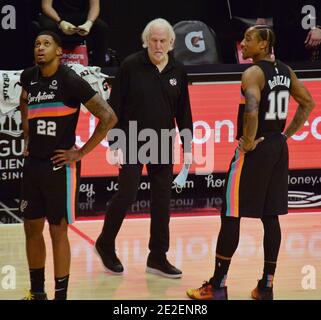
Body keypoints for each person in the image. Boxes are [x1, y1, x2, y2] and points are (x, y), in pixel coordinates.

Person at [187, 25, 315, 300]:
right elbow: (307, 102)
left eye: (248, 39)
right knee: (271, 217)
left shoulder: (252, 73)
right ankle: (266, 286)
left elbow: (253, 110)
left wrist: (246, 140)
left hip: (255, 150)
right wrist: (285, 135)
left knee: (231, 213)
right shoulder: (284, 70)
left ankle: (218, 285)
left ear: (263, 43)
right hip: (277, 147)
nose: (242, 43)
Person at [19, 30, 117, 300]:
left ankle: (60, 296)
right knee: (31, 228)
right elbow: (23, 101)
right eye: (37, 43)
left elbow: (109, 116)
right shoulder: (29, 77)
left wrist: (81, 152)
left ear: (59, 52)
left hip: (59, 167)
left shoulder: (70, 80)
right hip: (33, 165)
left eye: (46, 44)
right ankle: (37, 292)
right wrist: (28, 135)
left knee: (57, 230)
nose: (40, 48)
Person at [95, 18, 193, 278]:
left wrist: (188, 150)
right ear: (146, 41)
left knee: (162, 200)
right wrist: (114, 143)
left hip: (162, 141)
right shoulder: (130, 65)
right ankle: (105, 244)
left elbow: (184, 114)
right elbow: (114, 106)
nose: (158, 45)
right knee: (127, 194)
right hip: (132, 140)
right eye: (154, 40)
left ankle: (158, 256)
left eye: (163, 41)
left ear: (171, 43)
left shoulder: (178, 70)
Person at [39, 0, 110, 67]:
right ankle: (48, 66)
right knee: (48, 26)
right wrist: (60, 22)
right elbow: (46, 6)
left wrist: (89, 23)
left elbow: (94, 6)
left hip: (81, 15)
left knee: (101, 27)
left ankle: (98, 68)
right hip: (56, 15)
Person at [256, 0, 321, 62]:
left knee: (306, 65)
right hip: (281, 22)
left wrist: (318, 27)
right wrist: (262, 15)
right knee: (282, 64)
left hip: (307, 23)